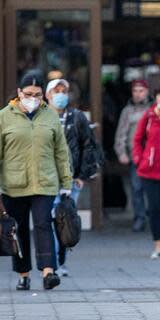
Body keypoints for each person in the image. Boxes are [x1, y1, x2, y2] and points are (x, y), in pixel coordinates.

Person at [0, 71, 73, 291]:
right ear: (19, 92)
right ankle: (23, 274)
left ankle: (48, 271)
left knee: (43, 224)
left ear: (43, 95)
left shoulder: (49, 115)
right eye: (28, 93)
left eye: (38, 94)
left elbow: (61, 151)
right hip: (14, 183)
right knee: (19, 228)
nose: (33, 98)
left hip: (44, 181)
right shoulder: (4, 116)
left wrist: (66, 183)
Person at [46, 78, 100, 277]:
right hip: (47, 179)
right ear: (48, 94)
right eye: (56, 90)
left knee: (65, 221)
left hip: (72, 179)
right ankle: (52, 264)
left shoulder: (77, 117)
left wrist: (82, 175)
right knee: (49, 220)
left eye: (64, 90)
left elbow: (88, 145)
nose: (60, 94)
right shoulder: (43, 117)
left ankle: (61, 261)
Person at [132, 84, 160, 260]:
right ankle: (158, 243)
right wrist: (139, 159)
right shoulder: (149, 115)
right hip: (149, 171)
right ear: (156, 97)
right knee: (153, 208)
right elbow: (137, 139)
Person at [114, 79, 151, 232]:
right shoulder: (127, 111)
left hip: (154, 155)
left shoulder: (154, 108)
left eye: (141, 90)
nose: (138, 94)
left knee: (154, 189)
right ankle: (140, 218)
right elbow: (121, 134)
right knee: (136, 188)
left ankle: (154, 216)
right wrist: (121, 152)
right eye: (135, 91)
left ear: (147, 91)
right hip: (136, 155)